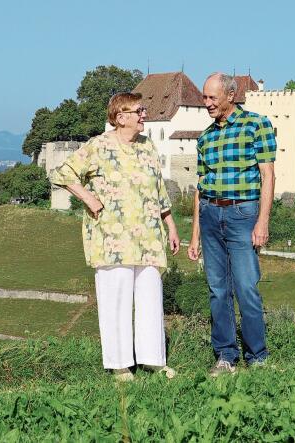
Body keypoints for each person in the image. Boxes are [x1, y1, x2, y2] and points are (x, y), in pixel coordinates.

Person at [50, 92, 180, 381]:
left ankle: (152, 360)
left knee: (150, 296)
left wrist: (170, 225)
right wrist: (88, 199)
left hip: (148, 236)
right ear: (120, 117)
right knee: (116, 298)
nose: (144, 114)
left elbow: (158, 190)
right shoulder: (98, 146)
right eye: (139, 111)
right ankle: (120, 364)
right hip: (112, 237)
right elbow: (62, 173)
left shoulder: (148, 147)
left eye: (144, 109)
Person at [188, 73, 276, 376]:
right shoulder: (206, 137)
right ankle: (226, 356)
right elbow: (200, 187)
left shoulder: (256, 125)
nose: (207, 103)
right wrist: (194, 236)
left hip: (242, 214)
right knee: (217, 290)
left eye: (212, 98)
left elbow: (268, 176)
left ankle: (258, 356)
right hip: (210, 214)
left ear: (230, 95)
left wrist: (262, 221)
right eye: (204, 97)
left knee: (246, 287)